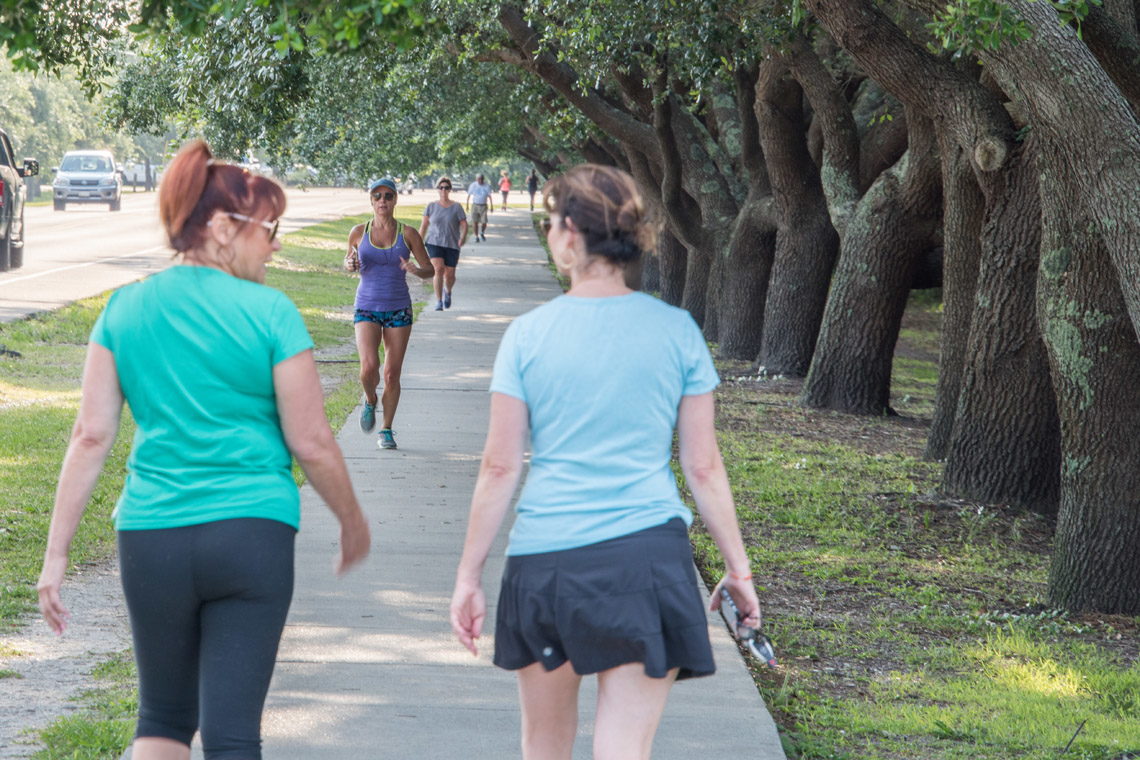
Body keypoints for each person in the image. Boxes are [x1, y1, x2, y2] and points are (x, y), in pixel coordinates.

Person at [36, 139, 371, 760]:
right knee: (232, 735)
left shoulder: (124, 309)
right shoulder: (271, 313)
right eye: (267, 228)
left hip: (152, 536)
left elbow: (90, 437)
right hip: (252, 534)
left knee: (161, 719)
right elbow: (312, 440)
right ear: (221, 228)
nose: (275, 243)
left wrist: (55, 559)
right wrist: (352, 521)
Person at [450, 164, 760, 760]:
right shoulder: (677, 331)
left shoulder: (527, 336)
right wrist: (739, 572)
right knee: (625, 749)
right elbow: (703, 466)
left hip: (546, 564)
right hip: (646, 561)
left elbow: (499, 467)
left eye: (549, 224)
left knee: (544, 745)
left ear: (569, 233)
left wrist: (469, 577)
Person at [345, 177, 435, 450]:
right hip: (366, 306)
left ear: (395, 200)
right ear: (371, 200)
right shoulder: (359, 232)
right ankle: (370, 399)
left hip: (398, 309)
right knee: (368, 368)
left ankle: (386, 429)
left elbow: (430, 270)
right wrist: (349, 264)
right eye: (377, 196)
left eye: (388, 196)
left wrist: (415, 270)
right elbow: (349, 261)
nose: (382, 201)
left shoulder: (408, 234)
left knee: (392, 374)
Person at [419, 176, 468, 311]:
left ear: (450, 189)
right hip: (434, 242)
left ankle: (448, 291)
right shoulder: (431, 206)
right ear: (437, 189)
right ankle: (439, 301)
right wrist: (417, 242)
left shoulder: (457, 207)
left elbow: (464, 224)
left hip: (452, 244)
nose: (444, 190)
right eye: (441, 187)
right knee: (438, 269)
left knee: (450, 274)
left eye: (446, 187)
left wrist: (462, 237)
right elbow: (424, 226)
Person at [466, 173, 494, 242]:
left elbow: (489, 196)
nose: (480, 180)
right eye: (479, 179)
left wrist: (491, 206)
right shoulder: (473, 185)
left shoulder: (486, 186)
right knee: (475, 222)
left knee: (484, 221)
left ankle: (482, 232)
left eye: (481, 179)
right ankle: (476, 236)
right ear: (476, 179)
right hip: (475, 205)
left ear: (483, 179)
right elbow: (469, 195)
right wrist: (467, 205)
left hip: (483, 206)